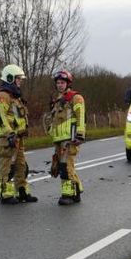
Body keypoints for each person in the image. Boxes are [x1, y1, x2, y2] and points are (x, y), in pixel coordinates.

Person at [0, 64, 36, 204]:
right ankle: (6, 195)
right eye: (18, 79)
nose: (20, 81)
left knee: (21, 165)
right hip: (8, 138)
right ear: (10, 78)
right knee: (7, 166)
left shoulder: (15, 97)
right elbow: (1, 117)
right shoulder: (2, 96)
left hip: (18, 137)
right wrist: (9, 133)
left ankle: (22, 192)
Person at [48, 69, 85, 205]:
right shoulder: (57, 100)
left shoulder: (75, 98)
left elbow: (81, 117)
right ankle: (76, 191)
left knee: (65, 166)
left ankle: (67, 195)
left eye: (62, 82)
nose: (60, 85)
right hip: (58, 140)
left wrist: (80, 134)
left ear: (68, 83)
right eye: (58, 83)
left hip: (70, 139)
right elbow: (55, 120)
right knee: (62, 166)